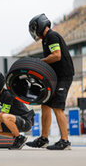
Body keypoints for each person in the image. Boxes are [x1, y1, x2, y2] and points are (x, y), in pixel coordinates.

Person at [26, 14, 74, 150]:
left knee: (58, 107)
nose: (34, 32)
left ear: (40, 25)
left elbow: (57, 56)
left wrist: (39, 62)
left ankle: (65, 141)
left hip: (63, 76)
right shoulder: (46, 40)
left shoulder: (52, 36)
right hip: (55, 77)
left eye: (34, 28)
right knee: (45, 105)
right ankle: (44, 138)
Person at [0, 72, 35, 150]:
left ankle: (19, 138)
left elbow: (2, 115)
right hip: (16, 120)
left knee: (5, 116)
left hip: (25, 121)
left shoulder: (7, 94)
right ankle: (16, 137)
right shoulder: (2, 96)